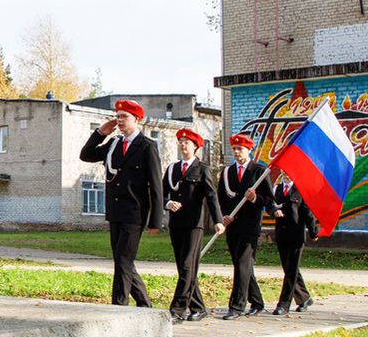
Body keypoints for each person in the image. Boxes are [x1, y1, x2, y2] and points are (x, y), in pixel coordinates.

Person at [79, 100, 164, 306]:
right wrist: (100, 133)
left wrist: (155, 221)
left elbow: (155, 185)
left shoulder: (147, 146)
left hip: (135, 213)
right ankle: (145, 305)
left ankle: (119, 307)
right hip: (115, 211)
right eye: (117, 116)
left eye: (124, 116)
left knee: (123, 261)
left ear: (137, 119)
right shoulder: (114, 143)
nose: (119, 120)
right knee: (122, 261)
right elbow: (86, 155)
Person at [163, 128, 224, 323]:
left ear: (195, 147)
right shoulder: (172, 168)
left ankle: (178, 309)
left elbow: (211, 195)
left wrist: (218, 220)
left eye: (187, 142)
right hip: (176, 224)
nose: (183, 145)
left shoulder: (202, 168)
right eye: (180, 141)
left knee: (188, 266)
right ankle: (198, 307)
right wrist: (167, 203)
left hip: (193, 224)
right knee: (184, 268)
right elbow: (162, 192)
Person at [217, 133, 272, 320]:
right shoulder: (227, 172)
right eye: (234, 149)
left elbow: (269, 200)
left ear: (249, 150)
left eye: (240, 148)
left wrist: (255, 198)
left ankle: (237, 307)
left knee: (241, 264)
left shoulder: (259, 171)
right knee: (242, 265)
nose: (237, 152)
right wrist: (223, 216)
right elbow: (221, 198)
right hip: (232, 225)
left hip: (250, 226)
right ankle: (257, 302)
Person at [271, 173, 319, 315]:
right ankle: (305, 298)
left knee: (291, 270)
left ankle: (284, 304)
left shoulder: (301, 190)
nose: (288, 175)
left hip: (296, 236)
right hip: (281, 234)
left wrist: (313, 231)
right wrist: (274, 211)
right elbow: (270, 205)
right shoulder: (277, 189)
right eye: (285, 172)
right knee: (289, 269)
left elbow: (307, 212)